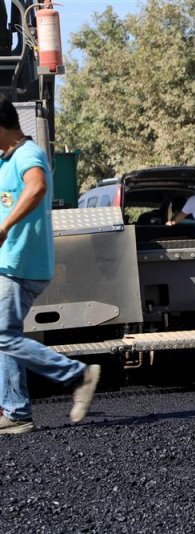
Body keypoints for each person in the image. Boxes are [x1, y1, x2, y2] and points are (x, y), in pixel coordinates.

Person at [0, 95, 100, 434]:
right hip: (10, 262)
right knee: (5, 335)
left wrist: (4, 227)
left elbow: (37, 187)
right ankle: (15, 412)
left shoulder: (28, 154)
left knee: (2, 334)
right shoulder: (8, 158)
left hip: (20, 262)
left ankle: (77, 375)